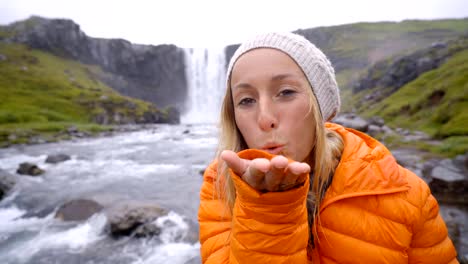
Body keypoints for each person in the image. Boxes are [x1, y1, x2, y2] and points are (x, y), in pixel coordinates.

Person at [198, 32, 458, 263]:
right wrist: (267, 213)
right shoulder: (219, 186)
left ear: (320, 107)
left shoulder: (407, 194)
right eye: (246, 100)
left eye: (286, 92)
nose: (265, 118)